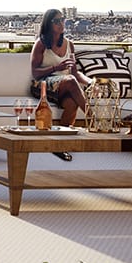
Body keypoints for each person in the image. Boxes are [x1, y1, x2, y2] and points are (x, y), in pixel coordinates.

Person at [30, 8, 86, 162]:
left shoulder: (69, 45)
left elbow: (75, 73)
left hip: (66, 85)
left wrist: (90, 81)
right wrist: (56, 68)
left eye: (63, 19)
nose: (61, 23)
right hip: (42, 84)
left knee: (71, 103)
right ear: (48, 24)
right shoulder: (41, 44)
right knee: (69, 80)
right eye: (56, 21)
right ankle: (93, 118)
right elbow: (35, 72)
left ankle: (59, 145)